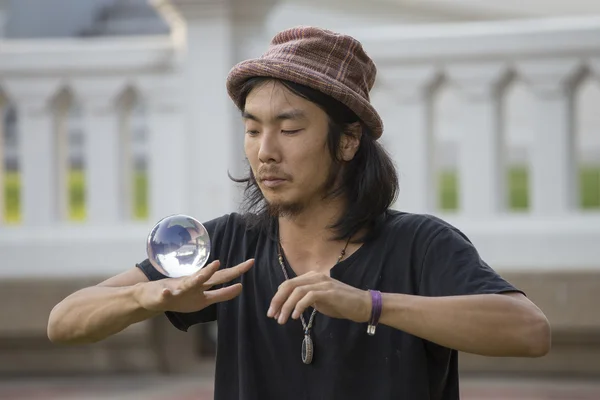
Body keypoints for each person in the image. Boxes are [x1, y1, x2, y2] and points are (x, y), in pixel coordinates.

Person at [47, 26, 551, 400]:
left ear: (348, 140)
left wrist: (370, 304)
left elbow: (530, 332)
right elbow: (63, 322)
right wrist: (145, 295)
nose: (266, 151)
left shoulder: (419, 244)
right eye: (252, 129)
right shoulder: (225, 245)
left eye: (289, 130)